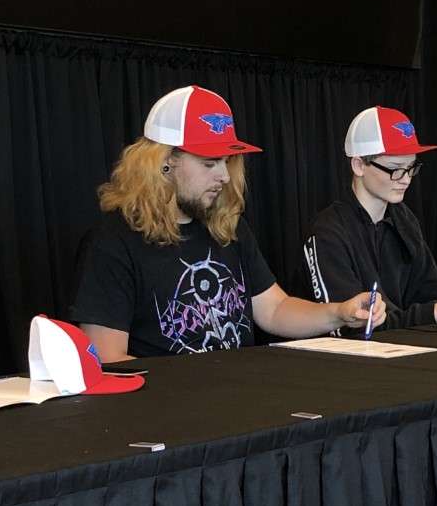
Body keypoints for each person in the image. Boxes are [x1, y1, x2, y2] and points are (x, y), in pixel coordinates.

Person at [70, 85, 384, 360]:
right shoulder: (112, 242)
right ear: (164, 164)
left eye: (226, 161)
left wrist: (340, 312)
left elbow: (275, 310)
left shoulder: (229, 227)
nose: (223, 176)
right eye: (209, 163)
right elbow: (108, 359)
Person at [293, 106, 437, 331]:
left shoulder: (403, 218)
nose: (406, 179)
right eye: (395, 169)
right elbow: (352, 327)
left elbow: (432, 298)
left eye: (411, 167)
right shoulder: (328, 232)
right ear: (359, 165)